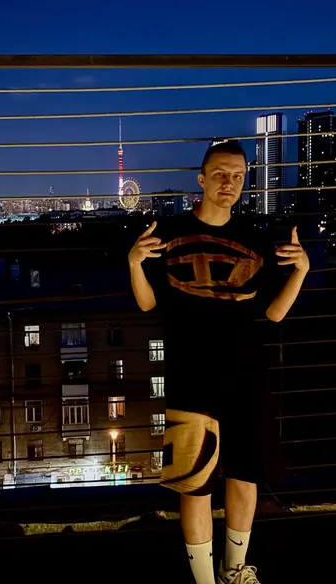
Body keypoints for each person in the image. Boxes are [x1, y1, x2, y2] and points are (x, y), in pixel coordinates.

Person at [128, 141, 309, 584]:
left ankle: (235, 571)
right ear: (201, 179)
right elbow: (148, 303)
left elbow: (274, 313)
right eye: (220, 174)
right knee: (195, 484)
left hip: (247, 371)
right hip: (190, 373)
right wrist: (134, 262)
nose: (229, 183)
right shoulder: (167, 232)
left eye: (238, 176)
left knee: (245, 477)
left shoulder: (257, 238)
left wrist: (302, 271)